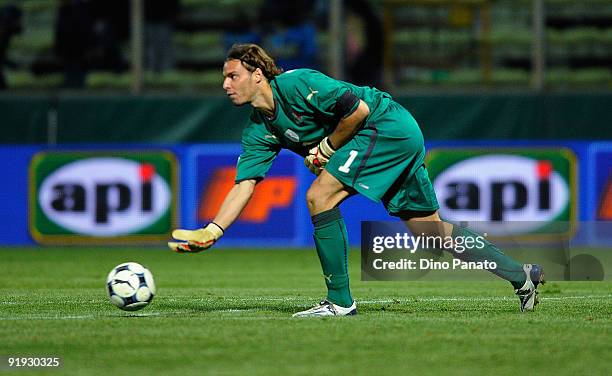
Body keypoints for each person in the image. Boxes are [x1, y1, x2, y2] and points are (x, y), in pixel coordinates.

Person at [168, 43, 545, 317]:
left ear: (257, 74)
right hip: (396, 135)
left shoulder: (299, 85)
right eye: (224, 78)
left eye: (232, 75)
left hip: (385, 125)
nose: (225, 84)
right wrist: (214, 230)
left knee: (319, 197)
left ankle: (339, 302)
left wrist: (328, 148)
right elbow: (245, 184)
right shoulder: (258, 130)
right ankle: (521, 276)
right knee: (431, 234)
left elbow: (358, 110)